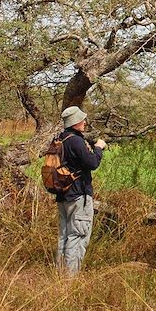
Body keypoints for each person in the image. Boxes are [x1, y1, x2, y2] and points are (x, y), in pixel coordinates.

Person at [55, 106, 107, 275]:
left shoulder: (60, 139)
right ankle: (70, 279)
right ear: (76, 122)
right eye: (82, 119)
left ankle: (59, 274)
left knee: (64, 236)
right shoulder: (76, 141)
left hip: (63, 196)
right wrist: (99, 148)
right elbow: (92, 163)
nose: (85, 122)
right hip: (79, 197)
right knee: (77, 236)